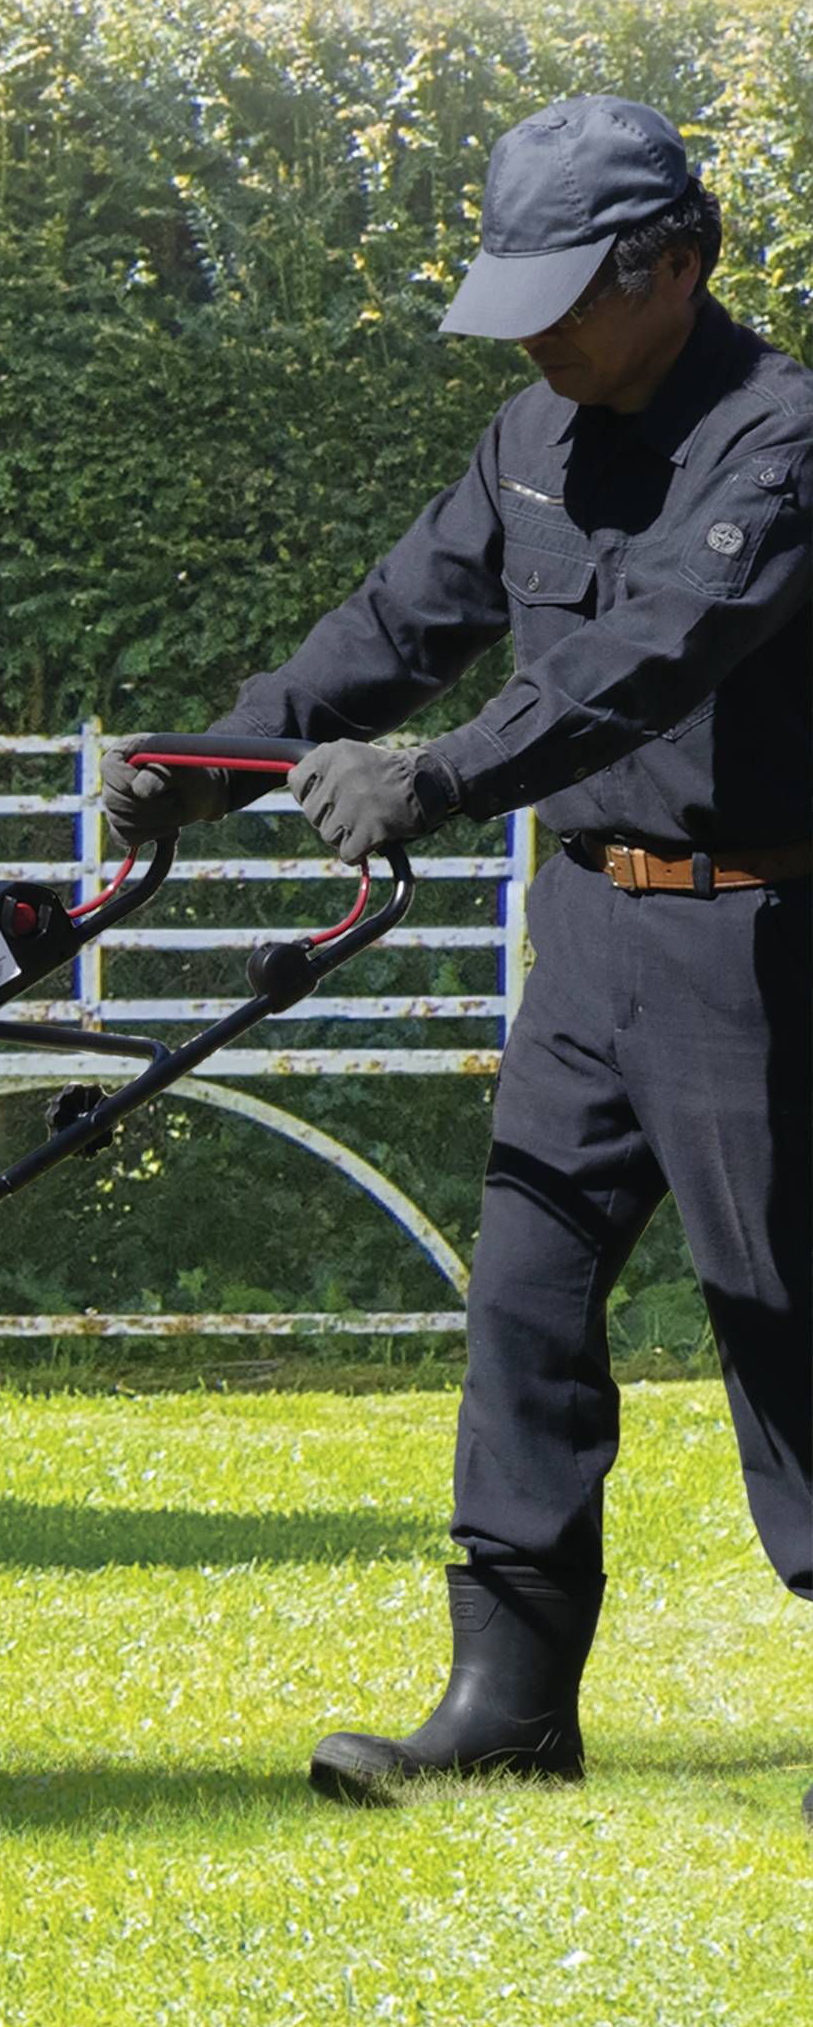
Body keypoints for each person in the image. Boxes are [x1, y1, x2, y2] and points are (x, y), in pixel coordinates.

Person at [102, 95, 812, 1816]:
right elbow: (396, 622)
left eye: (573, 296)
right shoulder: (528, 442)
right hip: (590, 939)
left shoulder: (782, 441)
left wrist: (437, 781)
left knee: (784, 1314)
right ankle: (507, 1704)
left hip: (767, 942)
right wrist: (210, 768)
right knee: (526, 1302)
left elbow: (655, 655)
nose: (545, 335)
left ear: (679, 263)